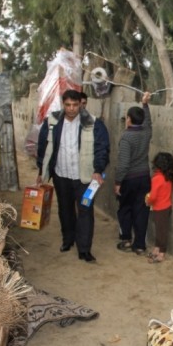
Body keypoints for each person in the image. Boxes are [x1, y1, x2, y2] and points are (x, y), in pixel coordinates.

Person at [36, 89, 110, 263]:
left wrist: (98, 169)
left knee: (85, 210)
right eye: (68, 105)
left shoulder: (94, 124)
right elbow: (42, 148)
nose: (71, 108)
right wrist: (41, 171)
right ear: (63, 104)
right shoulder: (51, 122)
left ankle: (84, 249)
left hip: (85, 179)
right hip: (61, 175)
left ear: (80, 105)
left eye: (75, 105)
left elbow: (102, 149)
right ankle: (68, 240)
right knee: (65, 209)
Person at [114, 91, 152, 255]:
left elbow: (123, 164)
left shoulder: (126, 138)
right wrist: (145, 104)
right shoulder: (146, 132)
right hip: (144, 177)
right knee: (141, 210)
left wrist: (118, 182)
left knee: (125, 208)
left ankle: (126, 239)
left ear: (128, 119)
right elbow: (148, 121)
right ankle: (140, 245)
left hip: (129, 179)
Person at [145, 152, 173, 263]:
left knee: (161, 231)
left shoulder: (157, 178)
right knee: (161, 230)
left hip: (159, 208)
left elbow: (153, 196)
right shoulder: (168, 176)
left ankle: (161, 253)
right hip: (166, 207)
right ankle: (157, 249)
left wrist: (148, 201)